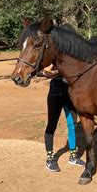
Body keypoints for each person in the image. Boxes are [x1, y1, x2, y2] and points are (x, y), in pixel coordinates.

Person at [39, 24, 85, 172]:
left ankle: (73, 156)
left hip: (70, 94)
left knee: (72, 125)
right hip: (55, 93)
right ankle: (50, 158)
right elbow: (45, 72)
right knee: (52, 125)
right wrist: (59, 72)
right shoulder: (56, 56)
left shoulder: (73, 57)